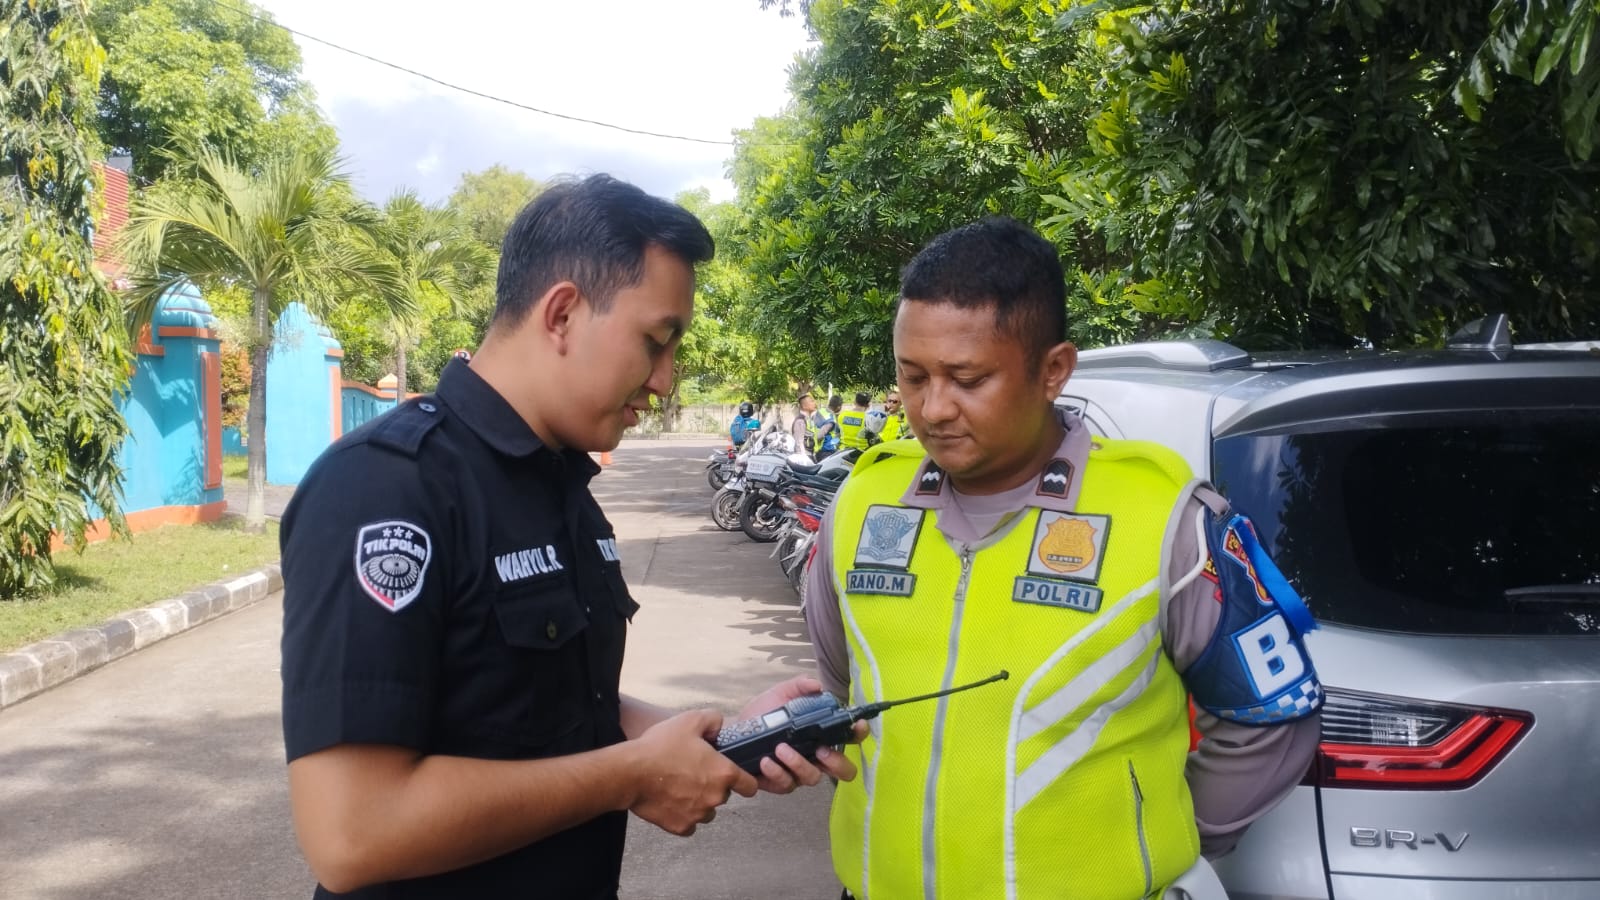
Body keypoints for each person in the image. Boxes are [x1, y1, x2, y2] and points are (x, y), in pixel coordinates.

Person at [279, 174, 855, 900]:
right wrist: (632, 775)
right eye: (655, 342)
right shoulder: (387, 488)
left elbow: (551, 706)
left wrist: (724, 736)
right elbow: (352, 832)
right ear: (561, 314)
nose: (665, 380)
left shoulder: (559, 486)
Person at [802, 217, 1322, 900]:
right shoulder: (863, 502)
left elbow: (1273, 715)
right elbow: (843, 687)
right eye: (913, 375)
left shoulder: (1165, 518)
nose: (933, 408)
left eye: (967, 378)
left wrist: (1159, 835)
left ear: (1053, 371)